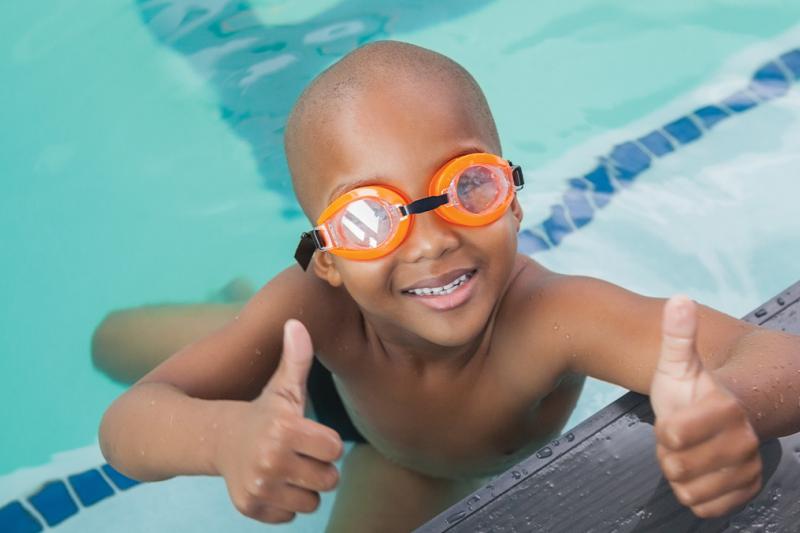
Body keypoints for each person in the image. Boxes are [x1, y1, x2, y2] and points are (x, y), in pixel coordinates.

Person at [97, 41, 800, 532]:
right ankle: (240, 325)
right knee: (111, 343)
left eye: (468, 186)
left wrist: (730, 406)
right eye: (369, 218)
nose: (431, 240)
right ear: (329, 258)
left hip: (416, 466)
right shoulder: (309, 302)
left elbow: (776, 355)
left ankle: (240, 334)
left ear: (514, 199)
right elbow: (128, 425)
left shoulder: (557, 317)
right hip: (305, 366)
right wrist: (225, 438)